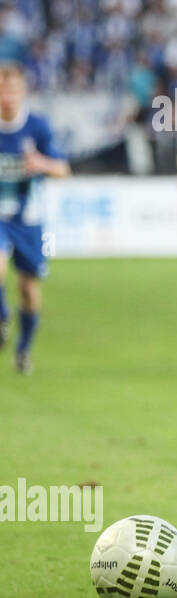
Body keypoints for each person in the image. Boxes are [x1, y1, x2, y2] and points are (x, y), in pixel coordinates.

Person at [0, 61, 70, 374]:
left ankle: (23, 349)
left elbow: (63, 169)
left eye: (12, 88)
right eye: (2, 88)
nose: (7, 95)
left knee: (28, 289)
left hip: (28, 219)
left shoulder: (37, 127)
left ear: (23, 92)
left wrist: (41, 164)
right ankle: (2, 318)